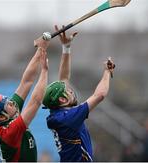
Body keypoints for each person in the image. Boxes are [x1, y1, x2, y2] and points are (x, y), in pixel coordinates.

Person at [42, 25, 115, 162]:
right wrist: (107, 72)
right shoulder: (68, 118)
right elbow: (100, 95)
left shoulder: (60, 114)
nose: (71, 90)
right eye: (68, 91)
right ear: (63, 100)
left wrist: (66, 48)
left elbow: (64, 78)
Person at [0, 37, 49, 162]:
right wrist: (44, 71)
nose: (12, 102)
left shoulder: (9, 114)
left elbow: (26, 82)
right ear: (1, 117)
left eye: (8, 100)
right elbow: (36, 101)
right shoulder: (9, 132)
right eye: (8, 104)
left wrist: (40, 49)